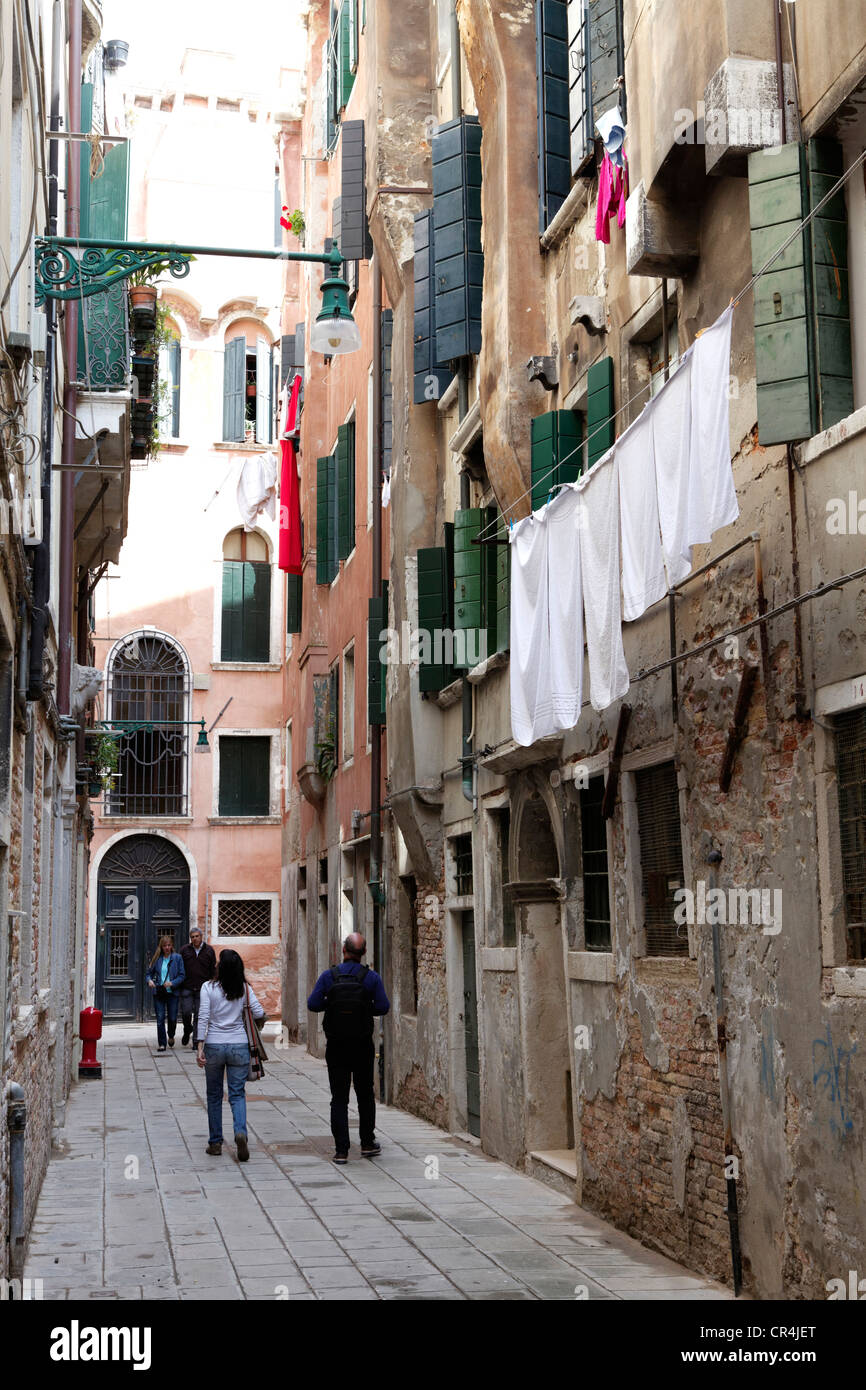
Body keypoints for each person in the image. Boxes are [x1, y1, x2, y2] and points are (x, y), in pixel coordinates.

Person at [307, 933, 390, 1164]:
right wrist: (364, 1009)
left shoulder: (328, 976)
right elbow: (383, 1007)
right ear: (363, 953)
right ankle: (366, 1143)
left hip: (336, 1045)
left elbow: (313, 1004)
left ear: (343, 951)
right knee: (365, 1095)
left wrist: (332, 1005)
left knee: (339, 1098)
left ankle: (341, 1150)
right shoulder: (371, 978)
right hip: (363, 1045)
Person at [196, 948, 266, 1161]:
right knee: (237, 1093)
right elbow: (260, 1012)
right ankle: (240, 1132)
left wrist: (200, 1046)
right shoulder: (244, 988)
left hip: (215, 1046)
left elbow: (203, 1017)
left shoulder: (208, 987)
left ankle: (215, 1143)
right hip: (239, 1045)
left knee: (214, 1095)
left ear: (220, 966)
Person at [146, 936, 185, 1052]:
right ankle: (162, 1043)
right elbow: (148, 974)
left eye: (169, 945)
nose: (167, 948)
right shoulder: (157, 958)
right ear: (161, 947)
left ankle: (171, 1035)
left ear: (172, 946)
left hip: (172, 993)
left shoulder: (177, 958)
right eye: (165, 946)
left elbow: (182, 975)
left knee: (172, 1018)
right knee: (160, 1018)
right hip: (159, 992)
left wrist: (172, 983)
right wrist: (149, 981)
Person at [179, 927, 216, 1048]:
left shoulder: (209, 950)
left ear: (201, 936)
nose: (195, 939)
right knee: (186, 1012)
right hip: (187, 987)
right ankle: (187, 1029)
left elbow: (213, 969)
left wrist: (212, 984)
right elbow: (180, 968)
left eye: (197, 936)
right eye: (193, 937)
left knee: (199, 1016)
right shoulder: (184, 950)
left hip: (202, 988)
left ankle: (195, 1041)